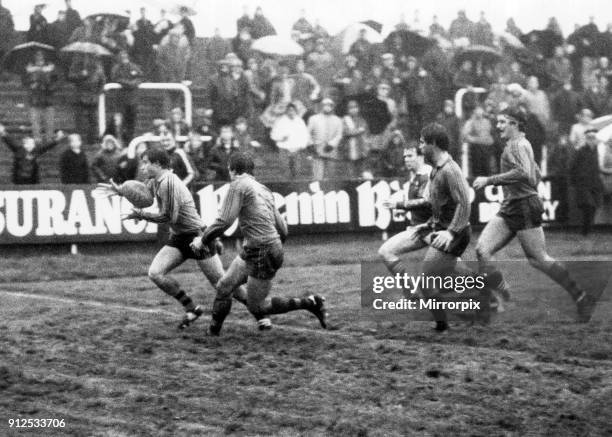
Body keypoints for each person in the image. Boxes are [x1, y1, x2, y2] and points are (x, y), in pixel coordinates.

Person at [472, 107, 597, 323]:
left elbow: (527, 174)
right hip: (511, 206)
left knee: (538, 259)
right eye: (499, 122)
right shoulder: (517, 145)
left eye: (503, 122)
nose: (498, 126)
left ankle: (582, 297)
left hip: (524, 207)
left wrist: (489, 180)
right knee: (482, 250)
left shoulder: (519, 145)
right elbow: (536, 173)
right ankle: (490, 303)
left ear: (515, 124)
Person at [190, 152, 328, 335]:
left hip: (261, 249)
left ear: (232, 170)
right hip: (260, 247)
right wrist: (274, 248)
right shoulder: (264, 189)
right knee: (224, 286)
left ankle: (311, 302)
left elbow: (224, 221)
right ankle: (213, 333)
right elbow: (283, 229)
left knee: (259, 306)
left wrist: (203, 240)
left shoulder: (238, 184)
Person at [117, 148, 250, 330]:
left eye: (146, 162)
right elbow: (141, 194)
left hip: (197, 236)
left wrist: (141, 215)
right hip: (179, 237)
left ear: (157, 164)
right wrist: (121, 191)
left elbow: (168, 217)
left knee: (222, 284)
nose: (142, 167)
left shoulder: (169, 183)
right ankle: (192, 309)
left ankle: (259, 312)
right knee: (155, 273)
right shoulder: (155, 180)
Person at [382, 123, 488, 331]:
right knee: (449, 276)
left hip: (454, 234)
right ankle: (481, 287)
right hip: (437, 229)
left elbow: (465, 204)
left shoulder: (451, 170)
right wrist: (404, 207)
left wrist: (450, 232)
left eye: (422, 143)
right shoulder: (436, 170)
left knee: (426, 283)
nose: (420, 148)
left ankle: (443, 324)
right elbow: (430, 201)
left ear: (434, 144)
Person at [0, 124, 65, 184]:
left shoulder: (35, 151)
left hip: (32, 180)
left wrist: (58, 139)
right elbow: (9, 140)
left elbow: (47, 146)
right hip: (19, 179)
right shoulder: (18, 149)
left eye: (33, 143)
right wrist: (2, 132)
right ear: (25, 145)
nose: (32, 145)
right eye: (30, 143)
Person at [570, 127, 604, 235]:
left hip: (596, 183)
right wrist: (574, 181)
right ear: (586, 139)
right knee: (588, 206)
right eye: (589, 138)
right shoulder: (580, 151)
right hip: (583, 184)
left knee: (593, 207)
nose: (591, 140)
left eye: (593, 137)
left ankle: (587, 230)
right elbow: (572, 167)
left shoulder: (600, 151)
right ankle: (586, 231)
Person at [68, 55, 106, 144]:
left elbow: (102, 81)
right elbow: (71, 76)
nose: (89, 59)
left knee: (93, 120)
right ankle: (78, 140)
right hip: (80, 97)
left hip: (92, 97)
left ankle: (91, 140)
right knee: (79, 120)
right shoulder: (77, 65)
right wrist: (81, 75)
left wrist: (97, 93)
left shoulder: (98, 68)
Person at [24, 50, 58, 143]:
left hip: (48, 100)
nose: (39, 58)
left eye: (41, 56)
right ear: (34, 57)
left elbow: (56, 83)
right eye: (37, 55)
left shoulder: (51, 69)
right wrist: (31, 85)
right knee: (35, 124)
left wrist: (49, 85)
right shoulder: (29, 69)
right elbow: (25, 82)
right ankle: (37, 142)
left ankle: (49, 142)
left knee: (49, 123)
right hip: (35, 100)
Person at [307, 98, 343, 180]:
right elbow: (307, 133)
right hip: (317, 149)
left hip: (331, 150)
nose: (327, 107)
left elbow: (339, 135)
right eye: (325, 105)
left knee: (331, 175)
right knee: (317, 176)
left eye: (330, 105)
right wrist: (311, 145)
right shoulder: (313, 119)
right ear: (321, 106)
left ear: (333, 107)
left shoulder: (337, 120)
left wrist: (332, 144)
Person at [111, 50, 144, 141]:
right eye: (122, 56)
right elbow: (116, 78)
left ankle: (130, 140)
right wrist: (128, 83)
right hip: (121, 100)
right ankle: (120, 140)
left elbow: (140, 76)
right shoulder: (116, 68)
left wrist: (134, 82)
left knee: (132, 122)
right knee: (120, 122)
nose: (124, 57)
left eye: (125, 55)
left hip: (133, 100)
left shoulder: (134, 67)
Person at [270, 103, 309, 179]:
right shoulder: (280, 121)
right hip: (284, 149)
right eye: (289, 110)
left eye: (293, 110)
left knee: (297, 170)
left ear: (295, 111)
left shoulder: (300, 121)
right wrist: (281, 138)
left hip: (297, 150)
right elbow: (273, 135)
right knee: (285, 170)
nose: (291, 112)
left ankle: (296, 188)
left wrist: (301, 146)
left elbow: (305, 136)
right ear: (286, 111)